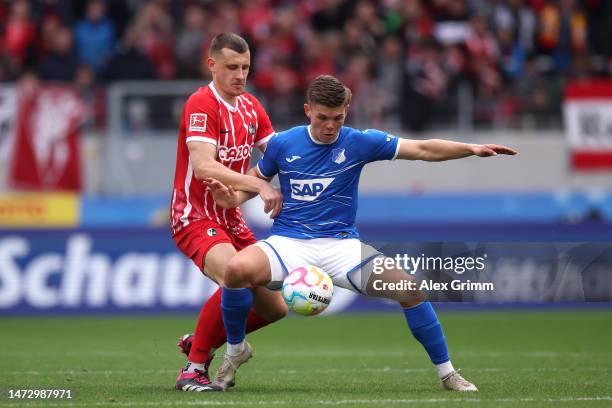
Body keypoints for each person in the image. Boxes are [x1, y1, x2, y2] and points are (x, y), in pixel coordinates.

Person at [206, 75, 517, 391]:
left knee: (411, 290)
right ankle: (234, 353)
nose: (330, 125)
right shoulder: (283, 144)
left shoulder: (359, 142)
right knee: (235, 270)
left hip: (342, 247)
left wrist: (472, 148)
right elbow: (256, 178)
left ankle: (448, 374)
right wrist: (233, 197)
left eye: (338, 118)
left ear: (346, 112)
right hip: (289, 243)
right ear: (307, 110)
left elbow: (422, 149)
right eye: (322, 117)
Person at [170, 32, 288, 392]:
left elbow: (280, 154)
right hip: (194, 215)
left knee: (275, 308)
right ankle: (193, 369)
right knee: (234, 273)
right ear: (212, 65)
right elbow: (204, 166)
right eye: (232, 67)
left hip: (231, 218)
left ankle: (204, 341)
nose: (240, 74)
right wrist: (260, 185)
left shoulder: (252, 108)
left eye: (246, 67)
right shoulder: (201, 104)